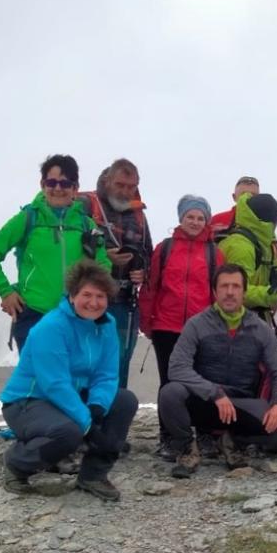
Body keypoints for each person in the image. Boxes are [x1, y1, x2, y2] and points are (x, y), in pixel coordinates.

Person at [0, 261, 138, 501]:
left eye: (100, 296)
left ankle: (93, 475)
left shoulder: (107, 325)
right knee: (69, 433)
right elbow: (54, 383)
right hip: (28, 402)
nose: (93, 303)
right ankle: (17, 464)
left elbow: (106, 374)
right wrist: (88, 426)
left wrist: (97, 407)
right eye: (87, 295)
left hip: (70, 396)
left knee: (124, 401)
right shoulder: (52, 327)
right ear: (72, 296)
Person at [159, 264, 277, 478]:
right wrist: (214, 393)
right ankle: (187, 447)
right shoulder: (197, 324)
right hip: (203, 400)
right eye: (224, 286)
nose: (230, 292)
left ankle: (231, 441)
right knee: (169, 393)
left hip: (241, 403)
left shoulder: (261, 329)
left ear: (244, 292)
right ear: (214, 291)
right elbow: (177, 367)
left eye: (236, 286)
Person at [0, 154, 112, 351]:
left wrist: (91, 302)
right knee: (38, 379)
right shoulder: (27, 219)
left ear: (75, 189)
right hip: (34, 316)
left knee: (70, 380)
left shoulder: (86, 224)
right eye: (51, 182)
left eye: (65, 183)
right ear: (42, 184)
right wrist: (5, 292)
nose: (57, 188)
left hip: (75, 317)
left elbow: (102, 266)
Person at [140, 195, 221, 457]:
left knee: (203, 381)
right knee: (168, 381)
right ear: (181, 218)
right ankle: (170, 436)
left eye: (200, 218)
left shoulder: (214, 252)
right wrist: (147, 320)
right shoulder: (164, 249)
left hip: (202, 328)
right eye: (191, 217)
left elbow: (218, 293)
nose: (195, 222)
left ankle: (205, 434)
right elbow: (151, 287)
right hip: (167, 325)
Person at [81, 159, 154, 389]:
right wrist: (103, 256)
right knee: (87, 362)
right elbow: (69, 249)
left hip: (125, 302)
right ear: (107, 180)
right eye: (120, 185)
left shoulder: (139, 215)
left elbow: (148, 252)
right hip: (90, 301)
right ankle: (86, 421)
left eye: (130, 186)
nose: (125, 191)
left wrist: (143, 271)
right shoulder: (85, 205)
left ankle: (115, 420)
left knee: (120, 365)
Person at [216, 192, 277, 322]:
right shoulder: (241, 247)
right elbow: (237, 292)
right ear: (269, 222)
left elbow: (271, 267)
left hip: (248, 317)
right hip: (231, 321)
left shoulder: (260, 242)